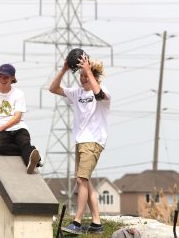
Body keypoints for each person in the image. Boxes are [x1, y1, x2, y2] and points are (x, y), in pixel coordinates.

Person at [49, 51, 111, 235]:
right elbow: (53, 89)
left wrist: (89, 71)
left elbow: (99, 94)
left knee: (81, 180)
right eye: (81, 76)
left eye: (86, 75)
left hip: (94, 141)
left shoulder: (104, 92)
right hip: (80, 140)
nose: (83, 79)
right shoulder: (76, 93)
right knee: (86, 181)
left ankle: (77, 221)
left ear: (95, 76)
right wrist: (63, 70)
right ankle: (96, 223)